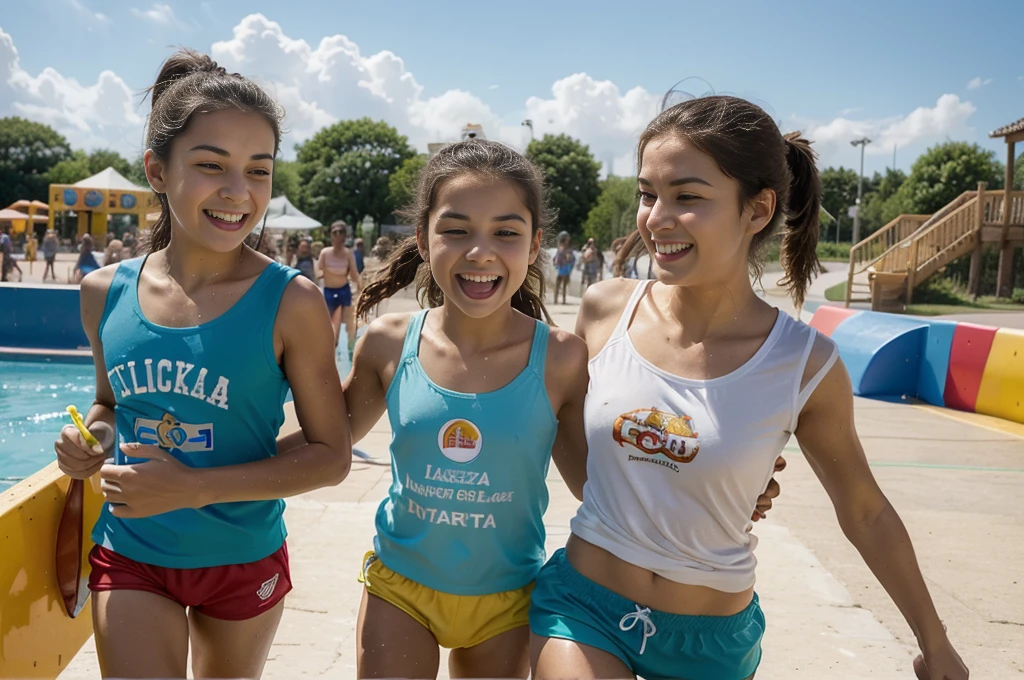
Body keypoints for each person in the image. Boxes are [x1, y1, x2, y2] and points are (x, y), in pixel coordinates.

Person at [528, 96, 968, 680]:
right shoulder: (606, 309)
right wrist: (638, 498)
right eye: (647, 193)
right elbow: (560, 421)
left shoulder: (803, 364)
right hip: (584, 606)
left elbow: (865, 512)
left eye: (688, 197)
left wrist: (935, 645)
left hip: (710, 640)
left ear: (757, 210)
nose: (656, 218)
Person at [52, 48, 352, 680]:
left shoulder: (290, 301)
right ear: (157, 171)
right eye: (211, 165)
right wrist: (92, 440)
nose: (238, 192)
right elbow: (109, 404)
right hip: (132, 549)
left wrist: (196, 488)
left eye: (258, 171)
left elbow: (331, 455)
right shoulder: (104, 292)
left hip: (242, 554)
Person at [318, 220, 361, 353]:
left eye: (341, 232)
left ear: (344, 236)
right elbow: (318, 271)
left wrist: (361, 287)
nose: (337, 235)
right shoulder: (325, 252)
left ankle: (350, 350)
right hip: (329, 291)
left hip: (343, 290)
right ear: (331, 235)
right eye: (335, 232)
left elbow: (354, 273)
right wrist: (327, 272)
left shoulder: (348, 253)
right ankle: (328, 351)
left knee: (350, 323)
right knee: (327, 325)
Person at [552, 231, 575, 305]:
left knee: (563, 284)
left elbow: (571, 259)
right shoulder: (563, 249)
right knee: (559, 284)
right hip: (562, 268)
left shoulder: (566, 249)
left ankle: (562, 300)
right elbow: (556, 258)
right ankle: (557, 300)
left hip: (564, 268)